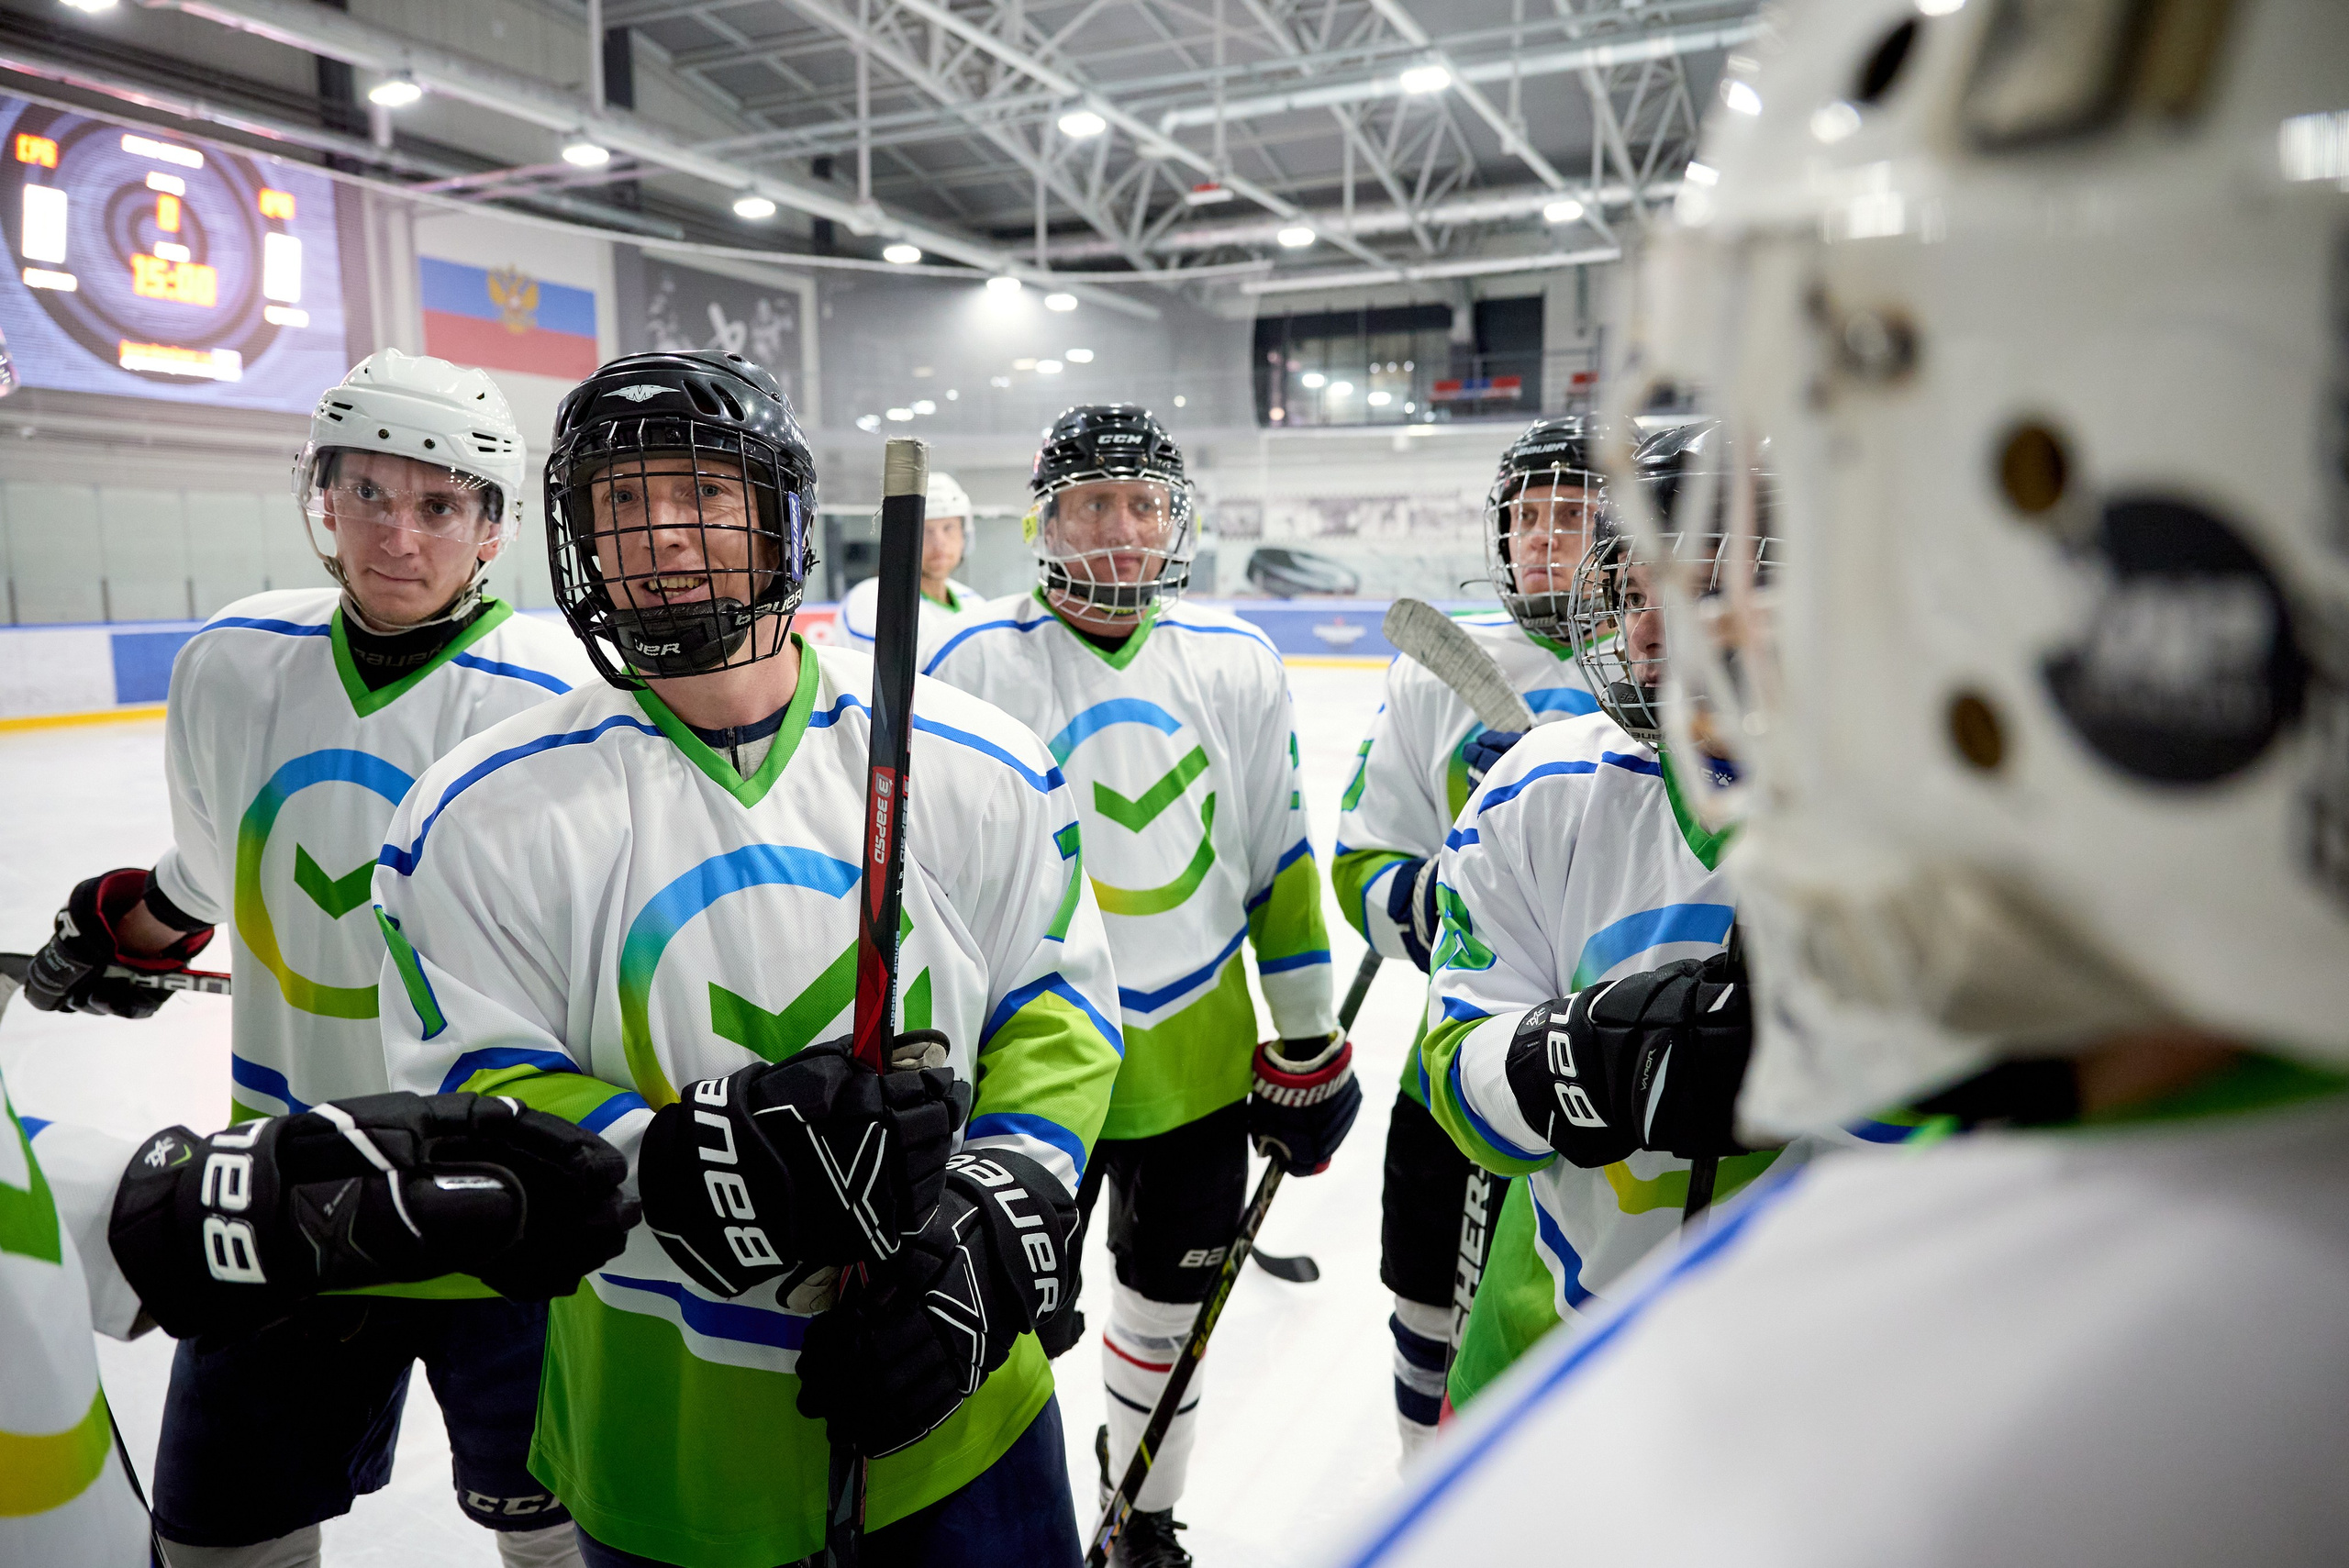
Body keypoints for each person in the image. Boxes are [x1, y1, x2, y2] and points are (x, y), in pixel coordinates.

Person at [1325, 1, 2349, 1562]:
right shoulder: (1557, 789)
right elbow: (1448, 1055)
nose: (1691, 598)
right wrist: (1565, 1067)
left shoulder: (1676, 1488)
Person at [372, 349, 1124, 1568]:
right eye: (622, 504)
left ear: (778, 517)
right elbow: (478, 1090)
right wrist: (679, 1161)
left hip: (967, 1411)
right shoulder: (470, 816)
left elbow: (1057, 1006)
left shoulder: (985, 762)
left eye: (705, 496)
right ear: (576, 539)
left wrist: (1000, 1214)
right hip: (665, 1444)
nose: (663, 536)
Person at [20, 348, 601, 1568]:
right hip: (283, 1195)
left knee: (558, 1545)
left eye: (438, 502)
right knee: (217, 1546)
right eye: (366, 493)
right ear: (320, 497)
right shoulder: (233, 660)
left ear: (489, 526)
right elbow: (210, 869)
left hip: (511, 1209)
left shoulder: (564, 697)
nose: (397, 534)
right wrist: (125, 927)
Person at [923, 404, 1358, 1567]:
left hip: (1199, 1065)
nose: (1122, 528)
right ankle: (997, 1530)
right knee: (1000, 1322)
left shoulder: (1235, 660)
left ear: (1177, 520)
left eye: (1145, 502)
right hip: (1023, 1077)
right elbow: (938, 890)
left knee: (1169, 1316)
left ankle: (1140, 1513)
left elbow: (1279, 861)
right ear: (1046, 521)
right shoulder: (969, 667)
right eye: (1093, 503)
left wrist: (1307, 1039)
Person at [0, 963, 634, 1568]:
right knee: (224, 1541)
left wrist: (144, 1203)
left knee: (559, 1535)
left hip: (457, 1230)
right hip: (296, 1233)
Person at [1330, 415, 1609, 1458]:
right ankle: (1423, 1492)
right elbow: (1361, 871)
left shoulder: (1666, 664)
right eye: (1525, 515)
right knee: (1425, 1308)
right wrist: (1470, 874)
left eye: (1572, 515)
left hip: (1621, 1088)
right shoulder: (1434, 673)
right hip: (1452, 1065)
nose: (1543, 537)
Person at [841, 471, 978, 658]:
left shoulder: (974, 603)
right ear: (902, 539)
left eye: (949, 528)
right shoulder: (874, 602)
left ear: (964, 534)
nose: (939, 542)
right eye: (925, 530)